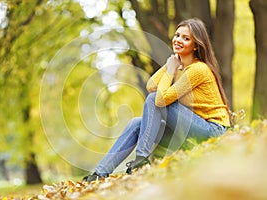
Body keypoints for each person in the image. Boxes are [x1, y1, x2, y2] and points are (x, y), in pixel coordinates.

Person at [83, 18, 231, 182]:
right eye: (177, 35)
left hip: (213, 130)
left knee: (155, 99)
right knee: (135, 124)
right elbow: (151, 85)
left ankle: (141, 159)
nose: (178, 40)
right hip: (192, 125)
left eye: (186, 38)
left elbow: (160, 100)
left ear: (196, 45)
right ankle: (100, 173)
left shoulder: (198, 69)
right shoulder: (179, 66)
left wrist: (170, 70)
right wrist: (171, 67)